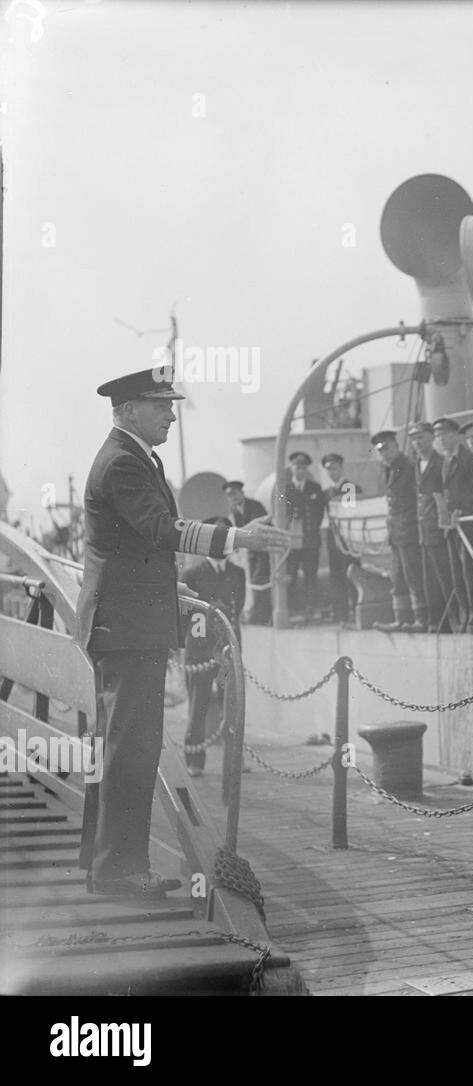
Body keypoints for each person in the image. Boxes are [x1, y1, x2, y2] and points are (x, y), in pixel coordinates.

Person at [78, 367, 288, 897]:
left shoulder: (133, 457)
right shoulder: (124, 462)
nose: (171, 413)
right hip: (126, 629)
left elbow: (134, 552)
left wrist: (174, 592)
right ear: (127, 410)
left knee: (120, 745)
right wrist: (238, 536)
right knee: (131, 748)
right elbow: (159, 531)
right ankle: (119, 872)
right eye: (160, 405)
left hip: (127, 621)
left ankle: (107, 865)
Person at [180, 517, 245, 776]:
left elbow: (236, 611)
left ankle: (234, 759)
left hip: (228, 650)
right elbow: (188, 617)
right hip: (200, 651)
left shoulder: (238, 574)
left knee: (232, 706)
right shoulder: (193, 575)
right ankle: (195, 759)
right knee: (199, 705)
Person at [371, 430, 428, 633]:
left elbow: (418, 498)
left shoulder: (408, 467)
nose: (384, 454)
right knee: (397, 577)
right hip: (396, 532)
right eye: (381, 451)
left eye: (387, 449)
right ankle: (401, 619)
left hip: (410, 529)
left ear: (396, 447)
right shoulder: (389, 469)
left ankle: (421, 618)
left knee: (413, 575)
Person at [435, 417, 473, 631]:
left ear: (455, 435)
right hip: (453, 528)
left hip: (468, 525)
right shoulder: (446, 461)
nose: (441, 439)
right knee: (457, 576)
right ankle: (466, 617)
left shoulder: (469, 459)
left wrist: (462, 512)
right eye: (437, 435)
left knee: (470, 574)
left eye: (444, 434)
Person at [408, 422, 455, 632]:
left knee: (444, 577)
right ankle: (435, 621)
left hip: (438, 528)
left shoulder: (440, 462)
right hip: (423, 530)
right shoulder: (417, 464)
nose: (418, 443)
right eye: (414, 439)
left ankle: (451, 621)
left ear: (431, 438)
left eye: (421, 438)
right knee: (429, 579)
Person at [281, 451, 325, 623]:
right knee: (290, 575)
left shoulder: (315, 488)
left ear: (306, 469)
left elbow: (319, 514)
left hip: (310, 540)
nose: (300, 470)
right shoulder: (285, 489)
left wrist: (310, 529)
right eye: (297, 467)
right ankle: (292, 610)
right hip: (291, 541)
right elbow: (281, 514)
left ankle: (311, 609)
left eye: (303, 467)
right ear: (291, 468)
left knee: (310, 576)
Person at [223, 480, 271, 625]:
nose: (233, 498)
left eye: (235, 494)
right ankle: (259, 614)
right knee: (254, 582)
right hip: (251, 551)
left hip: (263, 549)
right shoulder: (235, 510)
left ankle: (264, 614)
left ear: (242, 493)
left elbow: (261, 526)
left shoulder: (254, 506)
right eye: (230, 496)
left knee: (261, 580)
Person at [321, 452, 361, 627]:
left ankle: (355, 613)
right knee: (336, 577)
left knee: (351, 574)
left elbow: (349, 513)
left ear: (341, 468)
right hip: (333, 540)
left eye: (335, 468)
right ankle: (341, 614)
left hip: (348, 539)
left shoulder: (349, 487)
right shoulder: (327, 491)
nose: (332, 472)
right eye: (329, 469)